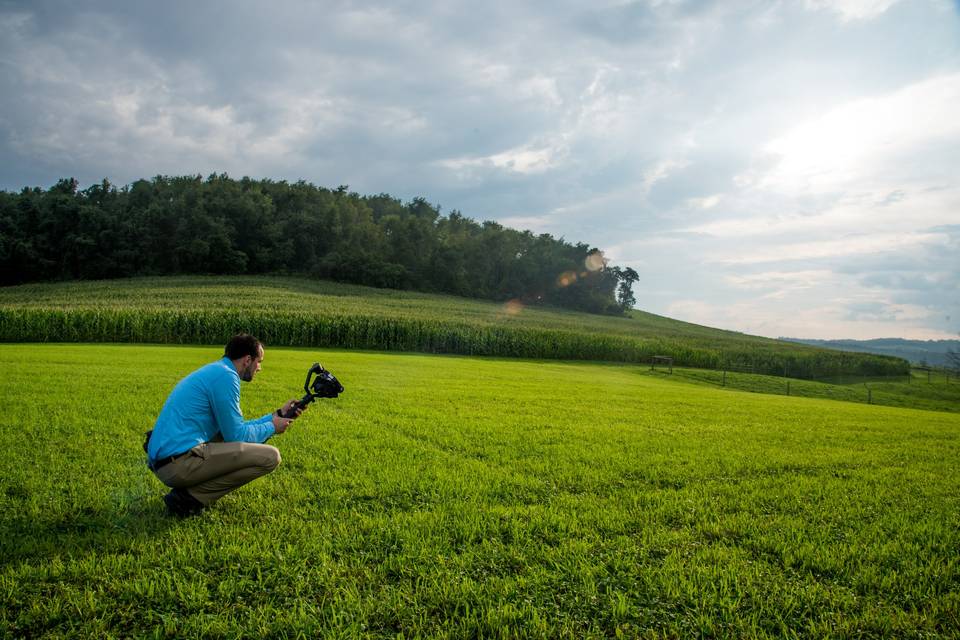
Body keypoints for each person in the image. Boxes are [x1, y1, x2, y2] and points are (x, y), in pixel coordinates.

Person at [145, 334, 304, 517]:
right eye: (259, 362)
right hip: (177, 465)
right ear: (247, 360)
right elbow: (237, 436)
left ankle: (188, 494)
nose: (259, 368)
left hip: (167, 460)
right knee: (271, 457)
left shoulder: (218, 371)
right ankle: (189, 498)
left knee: (230, 438)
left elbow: (233, 430)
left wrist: (276, 416)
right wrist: (272, 427)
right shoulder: (226, 377)